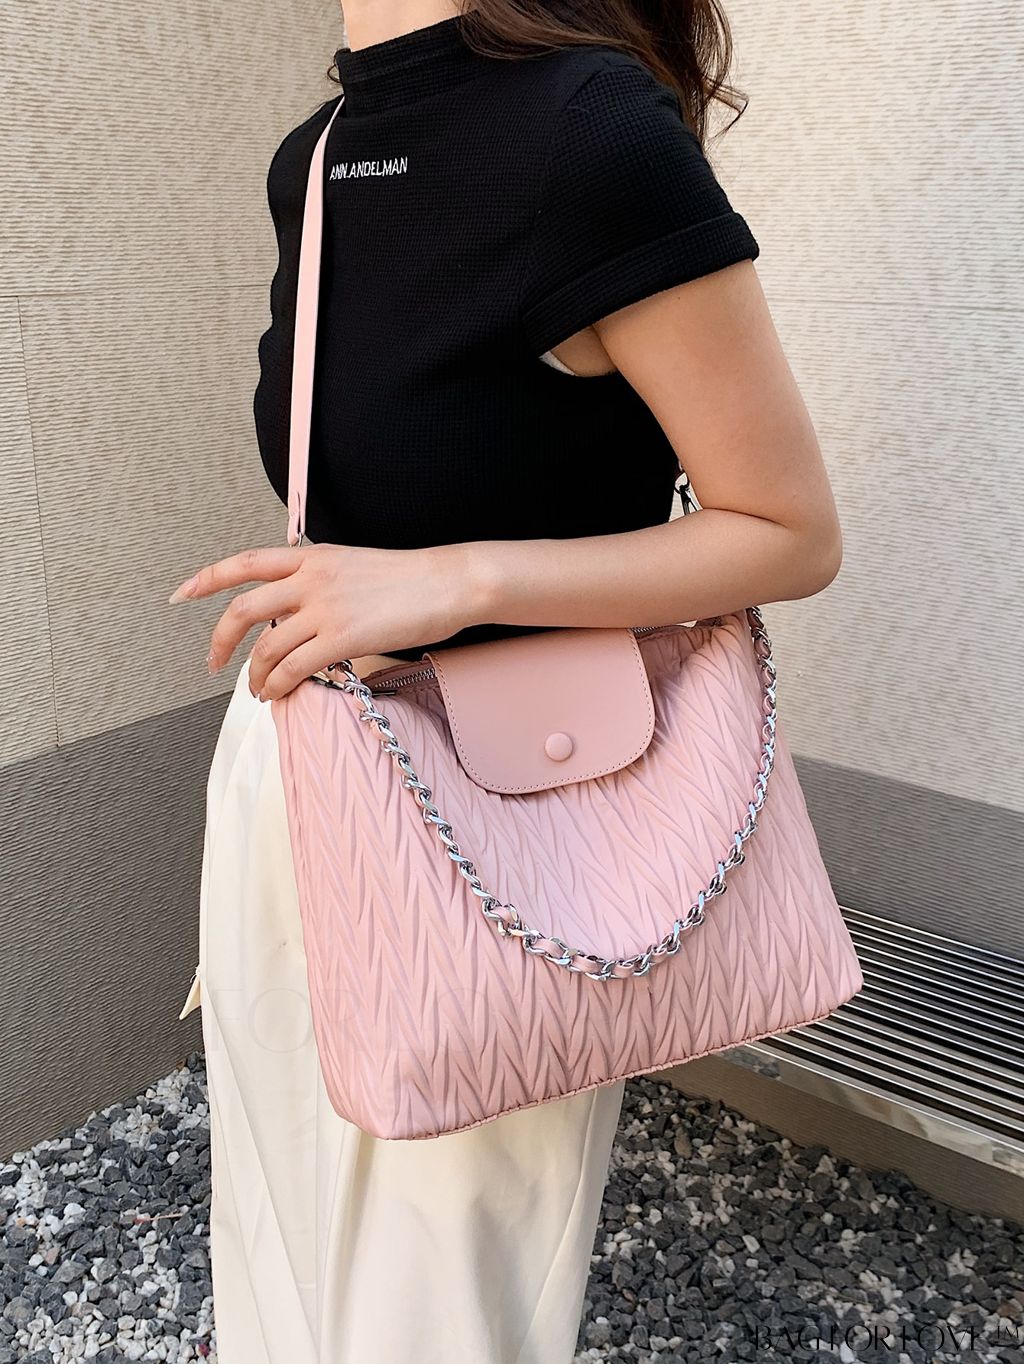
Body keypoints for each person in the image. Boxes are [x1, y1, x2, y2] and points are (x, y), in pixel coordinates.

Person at [170, 2, 843, 1360]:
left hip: (520, 803)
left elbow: (787, 532)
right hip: (297, 752)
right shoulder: (323, 151)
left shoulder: (587, 133)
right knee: (274, 1223)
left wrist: (455, 581)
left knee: (439, 1296)